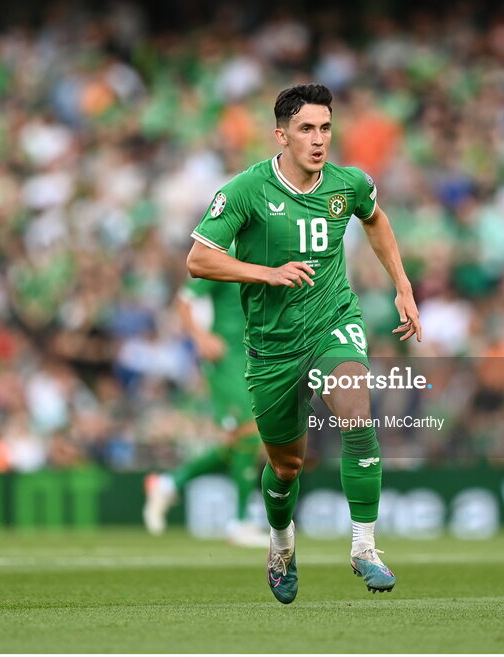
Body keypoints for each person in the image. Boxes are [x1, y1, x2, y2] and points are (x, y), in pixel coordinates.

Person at [185, 83, 422, 604]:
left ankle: (365, 547)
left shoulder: (349, 183)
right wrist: (265, 273)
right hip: (272, 346)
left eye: (326, 128)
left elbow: (376, 220)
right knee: (286, 466)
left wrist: (402, 286)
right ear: (281, 135)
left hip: (333, 319)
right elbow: (199, 260)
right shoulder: (246, 190)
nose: (319, 140)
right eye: (306, 129)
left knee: (358, 417)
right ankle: (281, 542)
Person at [143, 270, 270, 548]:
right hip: (225, 359)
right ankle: (240, 523)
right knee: (250, 432)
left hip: (249, 357)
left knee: (238, 440)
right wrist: (200, 337)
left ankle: (168, 484)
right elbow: (184, 299)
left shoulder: (262, 254)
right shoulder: (225, 258)